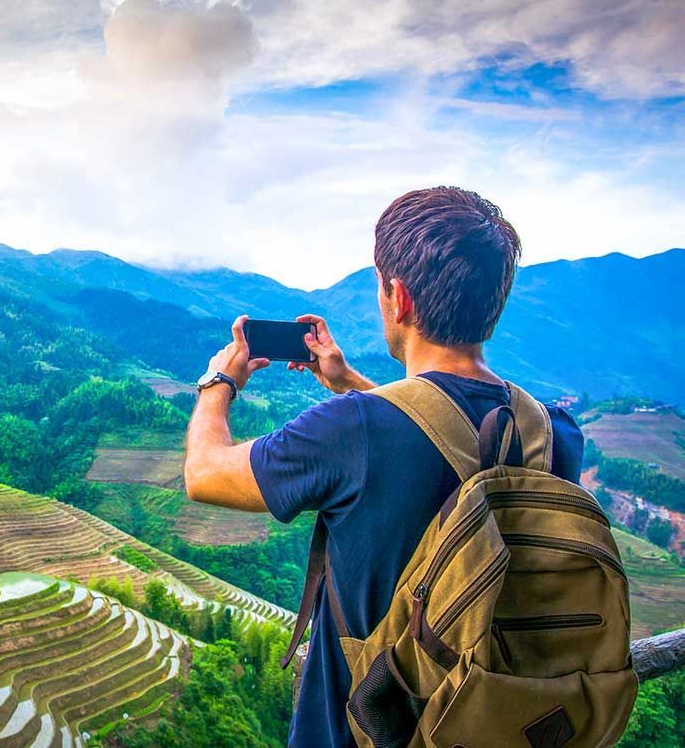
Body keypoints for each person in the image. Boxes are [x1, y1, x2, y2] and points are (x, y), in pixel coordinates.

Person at [183, 186, 583, 747]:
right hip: (498, 723)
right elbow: (443, 440)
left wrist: (218, 381)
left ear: (398, 297)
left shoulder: (351, 430)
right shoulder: (551, 432)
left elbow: (204, 474)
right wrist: (347, 380)